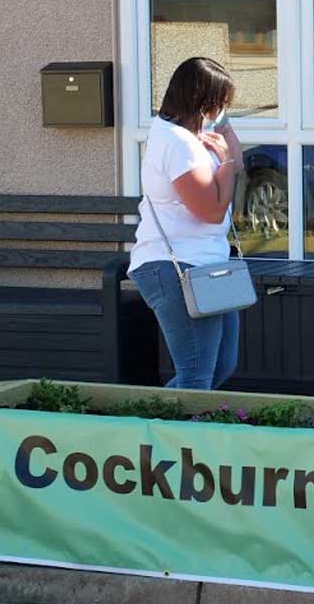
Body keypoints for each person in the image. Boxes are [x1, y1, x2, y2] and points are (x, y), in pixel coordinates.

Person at [129, 57, 244, 390]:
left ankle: (157, 419)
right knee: (196, 375)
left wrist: (225, 137)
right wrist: (225, 165)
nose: (223, 108)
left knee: (222, 365)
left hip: (210, 263)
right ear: (201, 98)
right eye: (220, 101)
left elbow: (237, 162)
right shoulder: (177, 143)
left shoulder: (191, 132)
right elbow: (210, 211)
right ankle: (160, 432)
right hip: (178, 267)